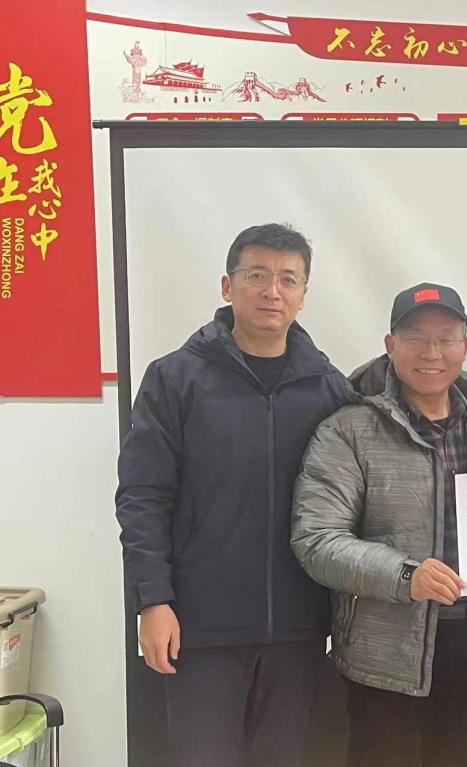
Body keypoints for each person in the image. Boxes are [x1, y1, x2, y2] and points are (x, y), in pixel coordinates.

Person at [291, 282, 467, 767]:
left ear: (464, 346)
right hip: (387, 649)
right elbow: (317, 540)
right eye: (415, 338)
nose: (432, 353)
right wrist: (406, 575)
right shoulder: (347, 429)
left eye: (446, 338)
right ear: (390, 345)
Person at [115, 223, 347, 767]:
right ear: (228, 286)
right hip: (199, 627)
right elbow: (143, 496)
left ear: (303, 294)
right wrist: (152, 600)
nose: (273, 291)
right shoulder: (175, 379)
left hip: (299, 628)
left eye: (289, 279)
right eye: (257, 275)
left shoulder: (328, 387)